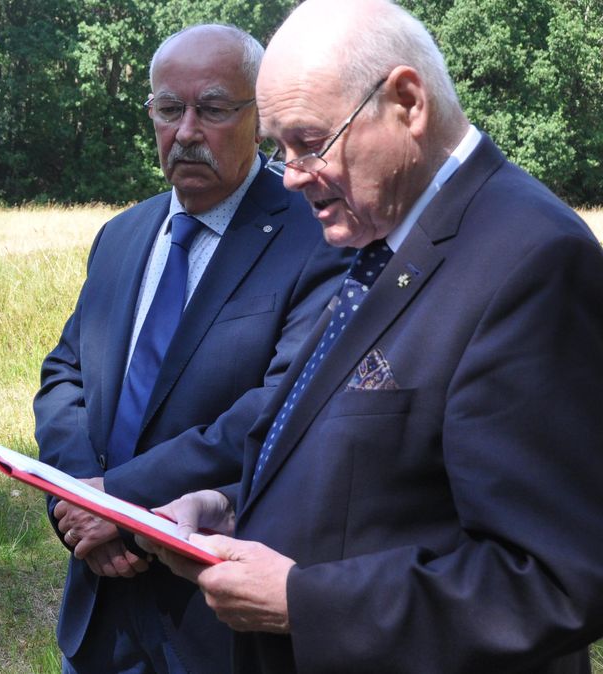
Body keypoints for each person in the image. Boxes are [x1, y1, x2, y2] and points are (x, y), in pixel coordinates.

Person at [139, 1, 603, 672]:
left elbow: (556, 577)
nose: (291, 175)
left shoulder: (529, 259)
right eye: (279, 147)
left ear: (407, 103)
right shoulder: (389, 229)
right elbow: (389, 477)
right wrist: (235, 506)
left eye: (309, 142)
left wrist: (305, 602)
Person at [33, 24, 351, 673]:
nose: (185, 132)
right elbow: (67, 371)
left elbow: (278, 411)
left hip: (217, 618)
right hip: (99, 609)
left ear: (259, 117)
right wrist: (73, 500)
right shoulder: (122, 235)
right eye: (168, 110)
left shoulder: (316, 240)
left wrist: (111, 501)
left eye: (211, 108)